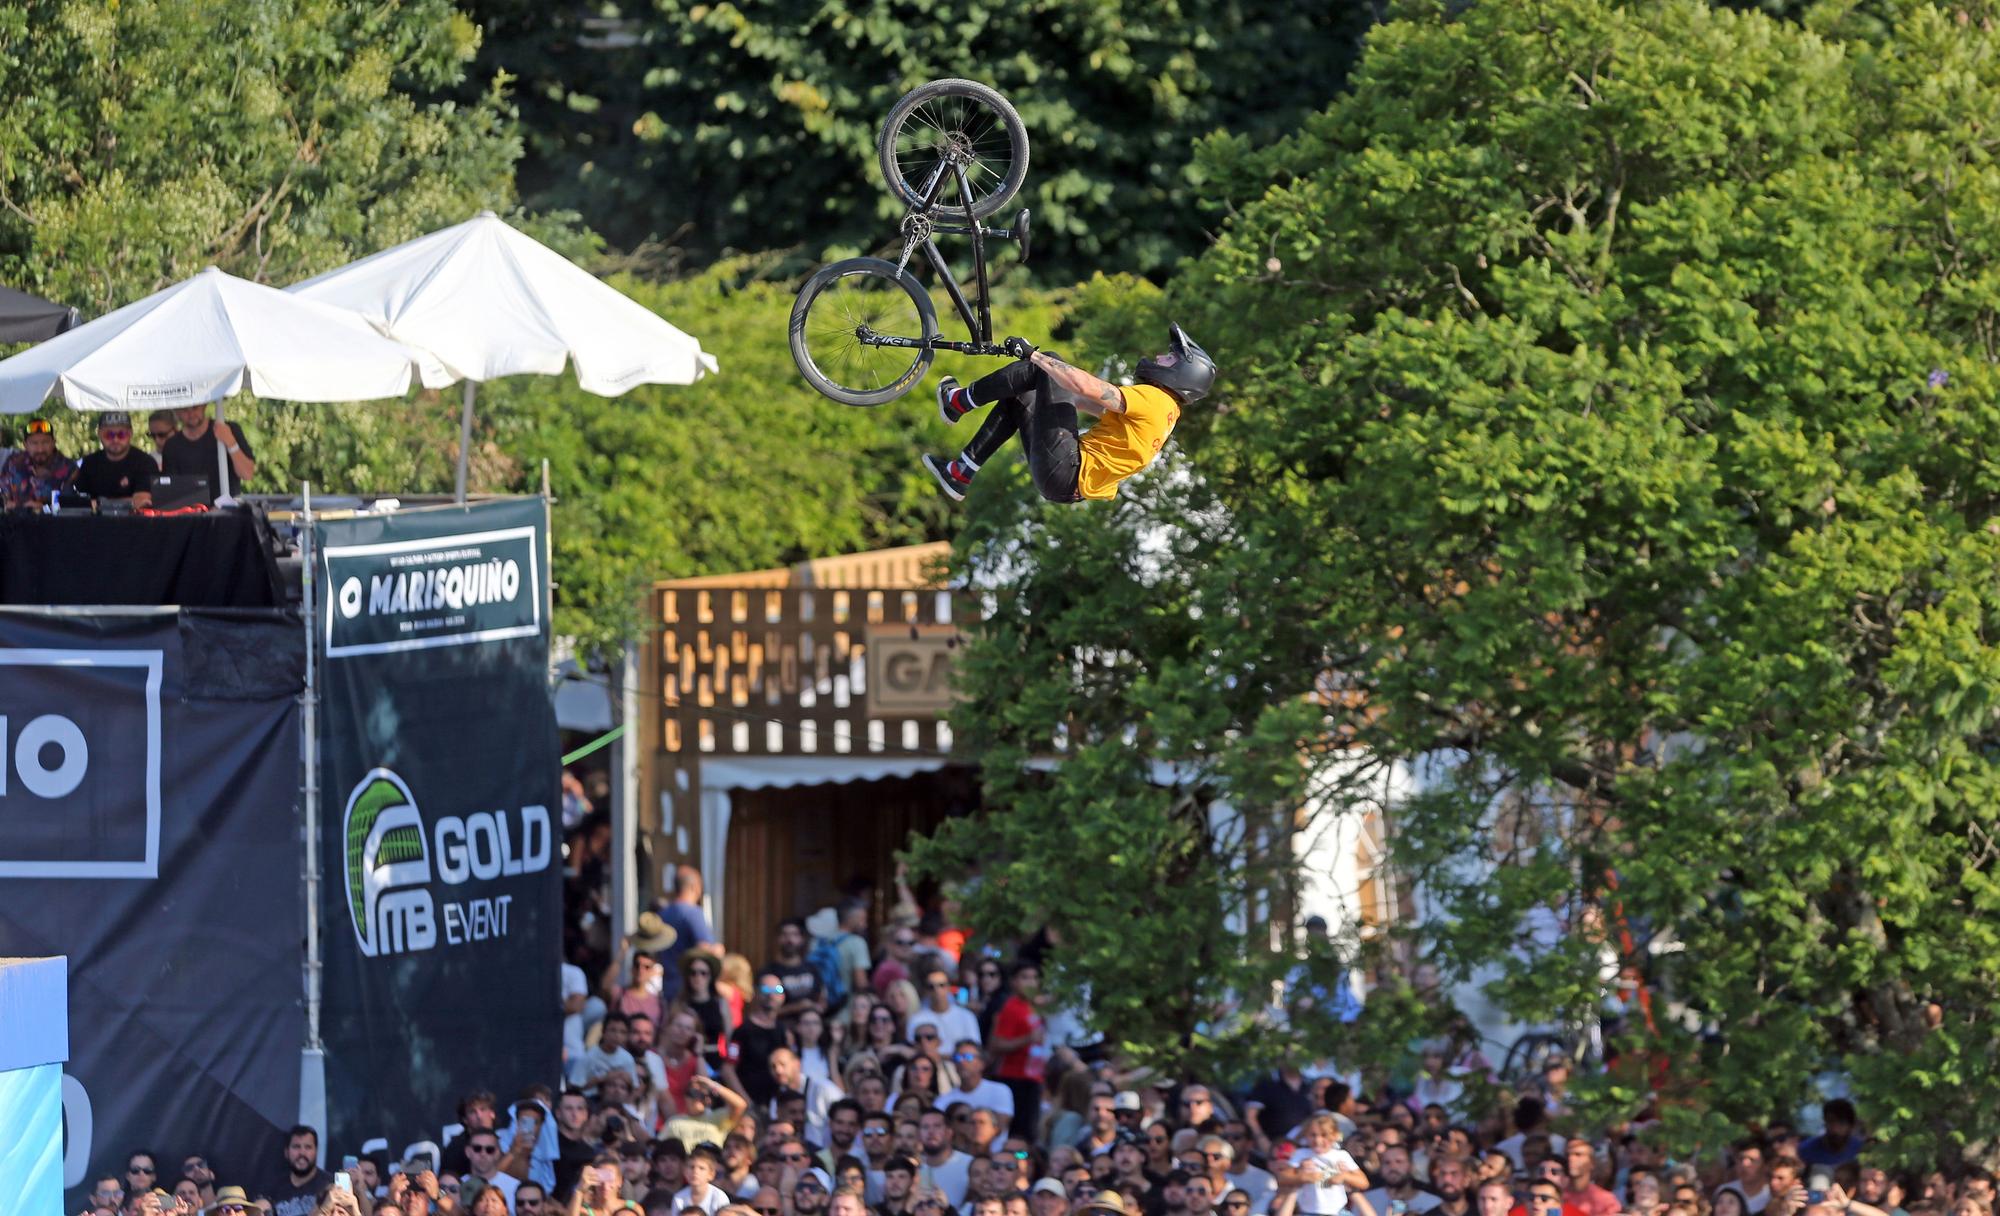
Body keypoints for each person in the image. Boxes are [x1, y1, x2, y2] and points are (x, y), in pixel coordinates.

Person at [922, 325, 1216, 504]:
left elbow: (1086, 386)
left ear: (1182, 373)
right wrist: (1046, 383)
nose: (1159, 358)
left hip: (1067, 468)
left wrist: (1032, 356)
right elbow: (1088, 402)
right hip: (1064, 481)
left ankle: (958, 401)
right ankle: (960, 473)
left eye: (1170, 357)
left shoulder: (1155, 399)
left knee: (1050, 361)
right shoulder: (1167, 413)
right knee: (1024, 394)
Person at [989, 963, 1049, 1141]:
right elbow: (997, 1044)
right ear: (1014, 982)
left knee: (1031, 1130)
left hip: (1033, 1078)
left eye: (1034, 978)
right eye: (1025, 977)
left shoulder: (1033, 1006)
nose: (1030, 983)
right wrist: (1027, 1038)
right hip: (1015, 1079)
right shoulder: (1011, 1008)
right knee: (1021, 1132)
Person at [160, 403, 255, 499]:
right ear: (177, 412)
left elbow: (247, 474)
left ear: (204, 405)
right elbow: (171, 490)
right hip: (190, 511)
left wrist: (230, 442)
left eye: (195, 407)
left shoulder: (229, 430)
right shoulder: (172, 446)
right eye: (185, 410)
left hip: (228, 510)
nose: (191, 414)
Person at [732, 969, 797, 1107]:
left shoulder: (784, 1031)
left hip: (777, 1106)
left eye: (778, 989)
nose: (772, 994)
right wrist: (746, 1102)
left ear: (783, 996)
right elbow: (728, 1069)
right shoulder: (742, 1031)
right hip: (751, 1104)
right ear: (756, 993)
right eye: (766, 989)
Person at [1278, 1115, 1367, 1216]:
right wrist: (1303, 1177)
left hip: (1337, 1211)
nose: (1318, 1140)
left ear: (1335, 1136)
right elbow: (1282, 1178)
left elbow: (1363, 1182)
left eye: (1324, 1135)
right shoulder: (1301, 1154)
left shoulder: (1341, 1156)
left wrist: (1344, 1176)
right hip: (1308, 1212)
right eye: (1313, 1135)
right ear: (1306, 1135)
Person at [659, 865, 720, 1002]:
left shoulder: (663, 914)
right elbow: (704, 948)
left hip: (667, 986)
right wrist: (717, 951)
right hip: (688, 989)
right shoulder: (693, 914)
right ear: (694, 887)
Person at [72, 411, 157, 505]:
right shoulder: (89, 463)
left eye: (121, 435)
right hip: (95, 519)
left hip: (134, 518)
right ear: (99, 434)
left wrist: (99, 503)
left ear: (130, 434)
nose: (115, 440)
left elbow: (141, 501)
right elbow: (80, 501)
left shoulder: (145, 462)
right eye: (109, 435)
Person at [1, 417, 75, 508]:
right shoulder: (13, 464)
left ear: (54, 443)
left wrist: (43, 508)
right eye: (34, 443)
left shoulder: (69, 468)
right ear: (25, 445)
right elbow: (3, 496)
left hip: (54, 521)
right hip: (15, 521)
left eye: (45, 442)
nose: (40, 449)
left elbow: (73, 506)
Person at [938, 1040, 1015, 1123]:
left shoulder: (1000, 1091)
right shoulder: (944, 1100)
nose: (961, 1062)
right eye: (957, 1058)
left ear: (982, 1063)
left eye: (968, 1057)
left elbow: (1000, 1125)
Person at [908, 968, 983, 1049]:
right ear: (926, 990)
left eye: (941, 985)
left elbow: (975, 1048)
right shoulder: (917, 1019)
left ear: (948, 987)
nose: (937, 990)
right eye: (931, 987)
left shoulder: (967, 1016)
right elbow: (913, 1048)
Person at [269, 1125, 333, 1216]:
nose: (302, 1153)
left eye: (308, 1147)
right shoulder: (273, 1187)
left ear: (316, 1151)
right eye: (296, 1147)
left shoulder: (330, 1185)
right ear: (286, 1152)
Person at [771, 919, 828, 1016]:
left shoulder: (813, 969)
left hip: (812, 1026)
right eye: (785, 935)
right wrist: (797, 1007)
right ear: (778, 939)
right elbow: (766, 1011)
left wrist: (818, 1007)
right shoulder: (769, 973)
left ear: (802, 939)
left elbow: (822, 1000)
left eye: (794, 935)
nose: (790, 940)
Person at [1798, 1102, 1864, 1168]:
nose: (1835, 1129)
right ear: (1825, 1122)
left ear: (1850, 1126)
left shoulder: (1858, 1148)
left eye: (1841, 1123)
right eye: (1831, 1121)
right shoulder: (1805, 1150)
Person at [1560, 1142, 1618, 1216]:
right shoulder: (1556, 1196)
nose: (1571, 1159)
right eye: (1567, 1155)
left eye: (1578, 1155)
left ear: (1592, 1163)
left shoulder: (1606, 1200)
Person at [674, 1143, 731, 1216]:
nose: (695, 1172)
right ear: (684, 1171)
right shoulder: (679, 1198)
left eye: (701, 1168)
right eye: (691, 1167)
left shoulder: (719, 1197)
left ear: (711, 1174)